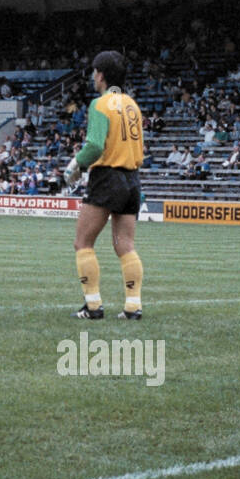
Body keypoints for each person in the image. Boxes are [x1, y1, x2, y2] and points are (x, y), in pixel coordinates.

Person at [65, 51, 145, 320]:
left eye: (94, 71)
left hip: (107, 177)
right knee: (125, 245)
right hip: (133, 179)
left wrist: (76, 164)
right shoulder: (133, 104)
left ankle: (93, 305)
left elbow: (96, 145)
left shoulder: (100, 104)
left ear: (100, 74)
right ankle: (133, 307)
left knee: (83, 242)